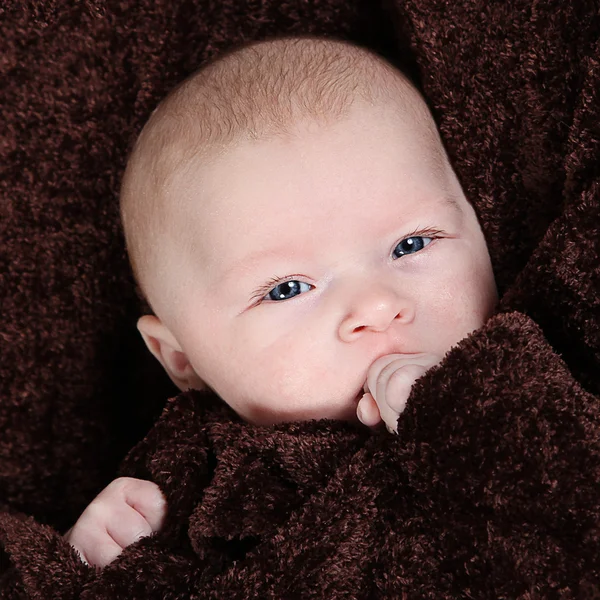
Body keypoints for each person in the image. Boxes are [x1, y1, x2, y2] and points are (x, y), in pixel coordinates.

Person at [65, 35, 498, 568]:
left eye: (411, 244)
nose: (376, 307)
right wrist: (89, 570)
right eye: (287, 288)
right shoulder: (182, 488)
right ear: (181, 357)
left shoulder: (547, 371)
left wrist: (472, 424)